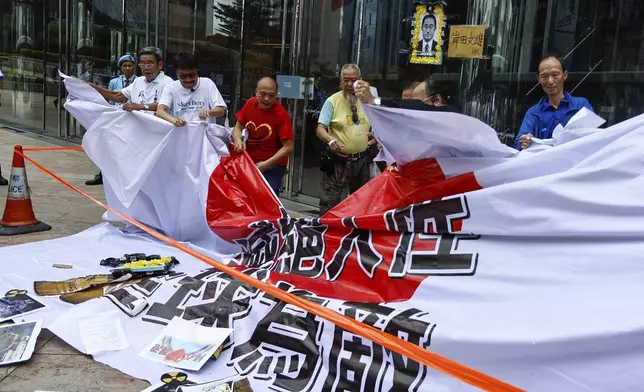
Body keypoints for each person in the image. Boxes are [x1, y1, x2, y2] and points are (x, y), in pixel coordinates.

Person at [315, 63, 374, 215]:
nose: (349, 84)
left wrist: (371, 99)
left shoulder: (369, 100)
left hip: (362, 160)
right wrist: (330, 140)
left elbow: (384, 112)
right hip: (339, 161)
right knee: (332, 202)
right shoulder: (332, 101)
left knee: (362, 201)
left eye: (353, 80)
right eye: (345, 80)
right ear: (340, 81)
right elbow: (320, 128)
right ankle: (328, 233)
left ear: (360, 80)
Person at [515, 55, 594, 150]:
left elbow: (593, 138)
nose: (550, 81)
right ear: (539, 79)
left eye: (555, 75)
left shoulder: (581, 105)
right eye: (544, 76)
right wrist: (525, 141)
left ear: (565, 75)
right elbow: (518, 145)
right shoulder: (534, 113)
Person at [232, 77, 294, 195]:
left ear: (276, 95)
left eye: (271, 95)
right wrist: (237, 140)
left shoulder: (281, 114)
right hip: (249, 162)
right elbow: (238, 127)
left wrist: (266, 164)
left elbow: (288, 147)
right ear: (256, 92)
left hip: (272, 166)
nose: (266, 99)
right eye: (263, 94)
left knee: (266, 201)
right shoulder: (250, 103)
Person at [86, 55, 137, 186]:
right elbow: (110, 100)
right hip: (116, 118)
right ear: (120, 68)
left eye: (130, 65)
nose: (127, 68)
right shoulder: (114, 82)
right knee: (109, 147)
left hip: (132, 119)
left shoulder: (138, 82)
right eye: (125, 66)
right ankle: (103, 174)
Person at [89, 46, 173, 116]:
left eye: (150, 63)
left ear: (160, 65)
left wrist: (139, 106)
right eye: (142, 63)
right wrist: (96, 88)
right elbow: (117, 96)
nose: (146, 67)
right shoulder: (138, 81)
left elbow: (163, 106)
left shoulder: (168, 83)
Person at [156, 53, 227, 126]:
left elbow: (221, 110)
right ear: (176, 73)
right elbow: (160, 111)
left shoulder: (207, 83)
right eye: (183, 76)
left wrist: (208, 112)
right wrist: (174, 120)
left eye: (192, 75)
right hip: (180, 131)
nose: (188, 79)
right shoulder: (170, 87)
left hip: (203, 133)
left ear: (197, 71)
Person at [355, 78, 461, 113]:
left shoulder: (451, 115)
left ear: (437, 100)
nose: (412, 110)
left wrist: (375, 100)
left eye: (415, 102)